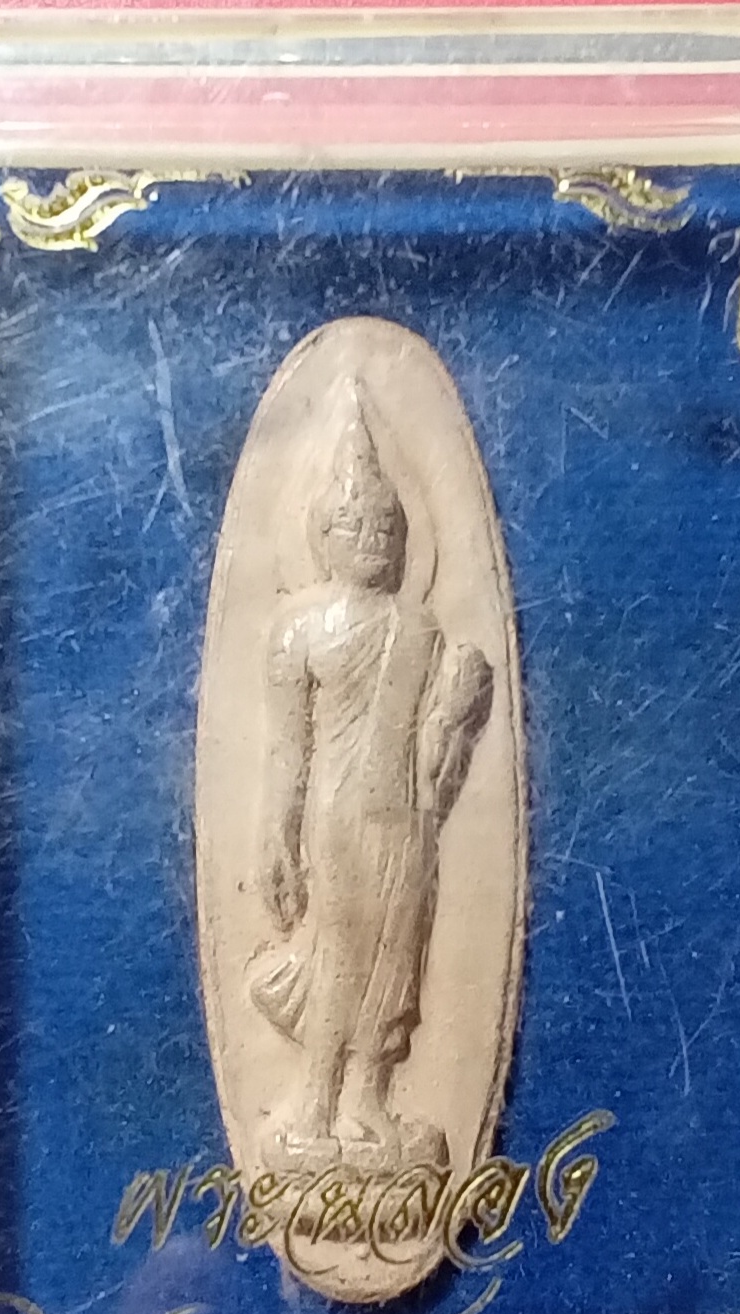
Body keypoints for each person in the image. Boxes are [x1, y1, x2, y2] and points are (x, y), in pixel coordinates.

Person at [251, 383, 492, 1171]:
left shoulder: (419, 627)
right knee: (344, 949)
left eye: (387, 527)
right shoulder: (298, 631)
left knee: (398, 955)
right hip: (338, 812)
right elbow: (286, 750)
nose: (372, 539)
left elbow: (432, 740)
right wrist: (276, 839)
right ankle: (314, 1103)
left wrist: (458, 707)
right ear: (321, 536)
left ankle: (366, 1099)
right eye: (353, 525)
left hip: (405, 816)